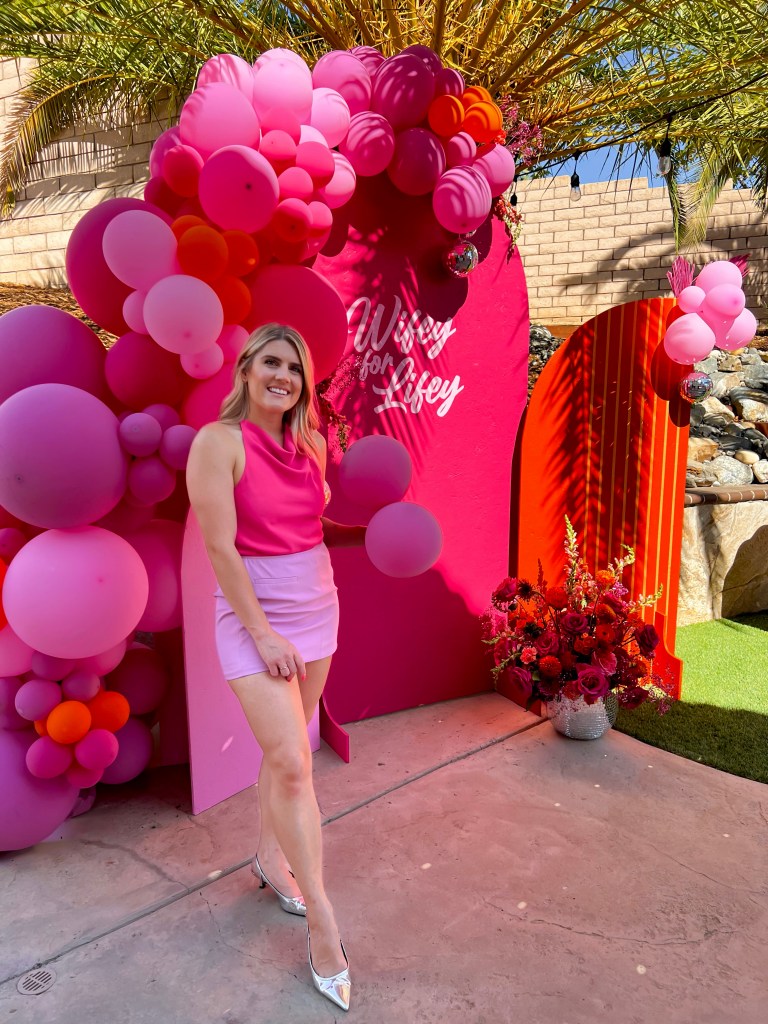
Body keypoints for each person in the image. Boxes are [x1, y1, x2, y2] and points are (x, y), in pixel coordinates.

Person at [186, 323, 364, 1012]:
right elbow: (221, 548)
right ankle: (323, 920)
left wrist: (367, 532)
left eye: (294, 367)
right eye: (271, 362)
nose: (283, 376)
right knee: (292, 761)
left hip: (316, 604)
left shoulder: (312, 444)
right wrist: (260, 634)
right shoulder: (218, 442)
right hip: (252, 616)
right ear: (246, 371)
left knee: (288, 756)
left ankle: (268, 857)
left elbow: (309, 529)